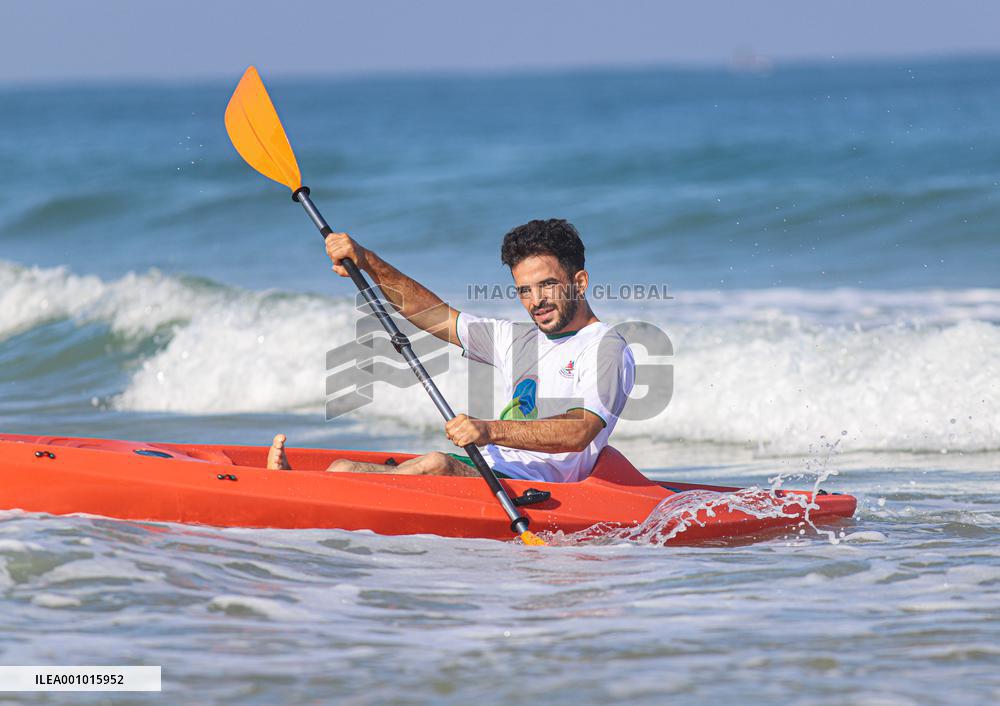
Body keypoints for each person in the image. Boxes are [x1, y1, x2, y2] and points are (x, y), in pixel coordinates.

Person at [267, 219, 634, 483]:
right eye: (524, 290)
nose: (536, 301)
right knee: (343, 469)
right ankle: (297, 492)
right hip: (487, 468)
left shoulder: (606, 347)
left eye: (548, 285)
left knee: (436, 465)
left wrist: (488, 430)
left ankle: (292, 499)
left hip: (537, 489)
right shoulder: (517, 339)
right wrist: (367, 261)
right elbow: (435, 316)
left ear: (579, 282)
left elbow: (580, 431)